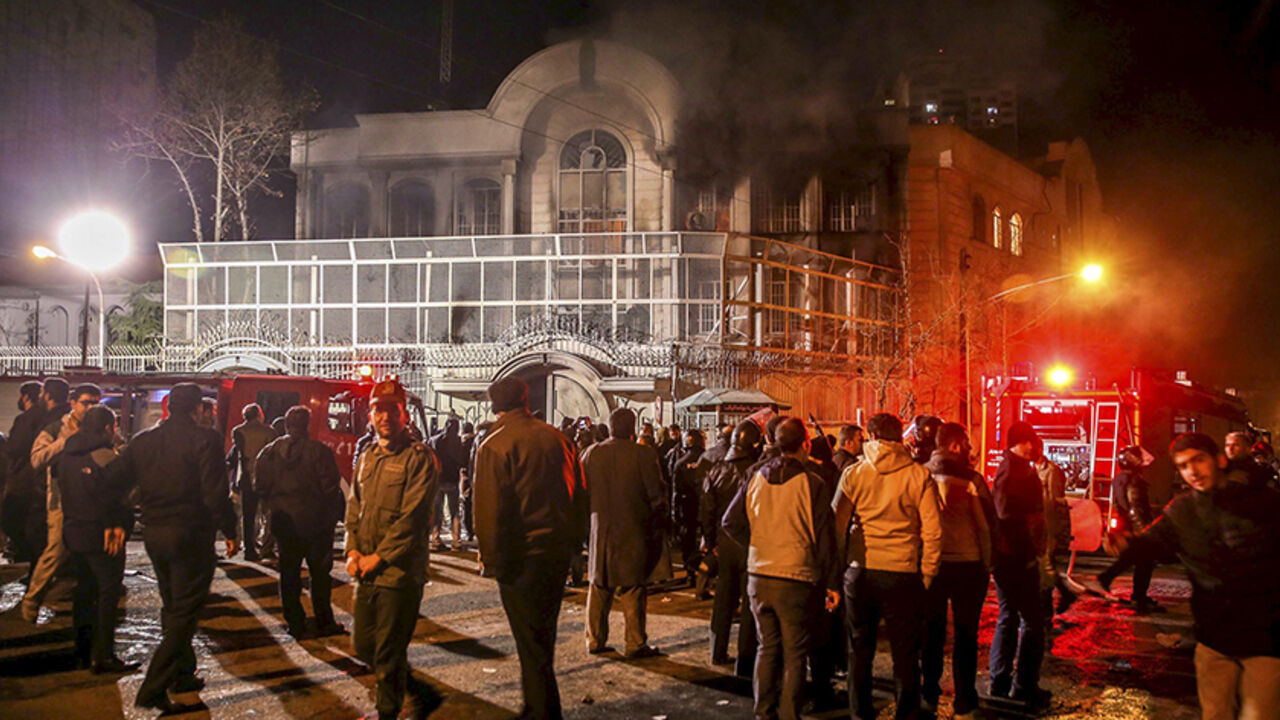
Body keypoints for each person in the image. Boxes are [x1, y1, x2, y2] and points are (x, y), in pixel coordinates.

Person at [1109, 433, 1280, 720]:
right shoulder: (1186, 508)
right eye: (1184, 466)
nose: (1193, 472)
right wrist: (1128, 545)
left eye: (1198, 460)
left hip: (1266, 640)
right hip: (1214, 640)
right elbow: (1156, 540)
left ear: (1220, 460)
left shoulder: (1265, 501)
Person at [117, 383, 238, 712]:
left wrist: (116, 520)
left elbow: (118, 483)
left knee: (173, 604)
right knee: (185, 611)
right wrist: (230, 528)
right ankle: (153, 687)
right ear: (197, 408)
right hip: (190, 533)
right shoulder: (206, 439)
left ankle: (182, 672)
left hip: (155, 533)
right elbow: (215, 492)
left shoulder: (142, 441)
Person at [474, 376, 586, 720]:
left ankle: (541, 710)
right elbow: (580, 496)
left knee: (530, 641)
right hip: (554, 553)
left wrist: (491, 560)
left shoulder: (495, 445)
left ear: (495, 406)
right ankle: (537, 705)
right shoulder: (559, 440)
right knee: (542, 635)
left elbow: (488, 510)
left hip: (519, 557)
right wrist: (573, 546)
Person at [724, 418, 840, 720]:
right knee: (795, 654)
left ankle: (763, 712)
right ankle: (789, 714)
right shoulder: (812, 482)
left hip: (759, 574)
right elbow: (825, 536)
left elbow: (730, 522)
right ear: (804, 444)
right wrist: (831, 582)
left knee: (767, 647)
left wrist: (757, 542)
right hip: (795, 576)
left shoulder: (754, 476)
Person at [834, 412, 942, 720]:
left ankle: (860, 712)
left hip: (861, 569)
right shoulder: (918, 476)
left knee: (859, 648)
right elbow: (933, 531)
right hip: (903, 571)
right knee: (906, 652)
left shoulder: (855, 474)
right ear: (900, 437)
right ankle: (906, 712)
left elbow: (837, 523)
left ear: (870, 436)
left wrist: (840, 567)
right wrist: (928, 572)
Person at [345, 379, 441, 720]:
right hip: (364, 570)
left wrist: (379, 557)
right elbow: (355, 506)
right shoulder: (368, 456)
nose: (384, 417)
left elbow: (412, 519)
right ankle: (416, 690)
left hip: (398, 574)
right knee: (363, 646)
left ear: (404, 415)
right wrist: (352, 551)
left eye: (391, 410)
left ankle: (387, 712)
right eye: (378, 410)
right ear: (370, 415)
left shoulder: (419, 458)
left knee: (387, 651)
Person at [58, 404, 138, 674]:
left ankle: (81, 649)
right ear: (108, 428)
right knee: (107, 593)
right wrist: (115, 524)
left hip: (73, 531)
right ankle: (103, 655)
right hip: (103, 534)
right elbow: (115, 496)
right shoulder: (106, 457)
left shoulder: (67, 455)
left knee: (83, 591)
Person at [581, 407, 667, 658]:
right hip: (633, 529)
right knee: (633, 587)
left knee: (599, 585)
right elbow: (656, 496)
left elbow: (579, 493)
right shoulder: (643, 454)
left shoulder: (592, 453)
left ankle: (595, 639)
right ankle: (635, 642)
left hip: (600, 529)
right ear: (632, 428)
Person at [254, 405, 346, 639]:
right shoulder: (319, 452)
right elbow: (331, 487)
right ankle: (324, 621)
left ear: (286, 424)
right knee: (320, 574)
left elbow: (260, 487)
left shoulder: (268, 452)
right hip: (315, 521)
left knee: (289, 573)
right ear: (307, 424)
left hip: (284, 522)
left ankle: (295, 622)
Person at [921, 422, 991, 718]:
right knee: (966, 634)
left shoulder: (919, 473)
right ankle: (965, 698)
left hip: (932, 564)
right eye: (964, 442)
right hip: (968, 565)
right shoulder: (972, 479)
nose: (969, 448)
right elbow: (986, 526)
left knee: (932, 631)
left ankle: (929, 693)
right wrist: (989, 563)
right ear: (953, 445)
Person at [23, 380, 98, 622]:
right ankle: (32, 600)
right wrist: (65, 443)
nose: (90, 408)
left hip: (90, 501)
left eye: (96, 403)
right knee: (56, 550)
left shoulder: (100, 428)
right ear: (74, 404)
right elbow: (36, 459)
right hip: (61, 500)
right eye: (86, 403)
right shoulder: (57, 428)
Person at [988, 421, 1049, 708]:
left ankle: (1000, 681)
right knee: (1033, 622)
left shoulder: (1011, 468)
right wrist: (1027, 553)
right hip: (1017, 559)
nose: (1034, 447)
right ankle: (1023, 685)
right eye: (1031, 442)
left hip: (1008, 559)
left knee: (1008, 616)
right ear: (1021, 442)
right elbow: (1006, 516)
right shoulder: (1016, 471)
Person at [701, 420, 763, 673]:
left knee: (723, 600)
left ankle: (717, 651)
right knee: (748, 604)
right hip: (750, 541)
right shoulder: (757, 472)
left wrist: (710, 541)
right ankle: (745, 660)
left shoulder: (716, 470)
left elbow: (706, 510)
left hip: (724, 543)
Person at [1096, 446, 1160, 612]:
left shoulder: (1121, 478)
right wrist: (1145, 529)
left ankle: (1108, 578)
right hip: (1139, 527)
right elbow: (1136, 506)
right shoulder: (1133, 480)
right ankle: (1138, 596)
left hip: (1130, 525)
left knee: (1134, 559)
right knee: (1144, 562)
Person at [3, 381, 44, 577]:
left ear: (26, 397)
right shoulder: (48, 419)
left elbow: (13, 448)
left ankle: (28, 563)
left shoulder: (25, 420)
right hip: (36, 483)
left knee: (11, 521)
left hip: (21, 482)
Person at [228, 404, 279, 562]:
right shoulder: (270, 432)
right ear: (259, 415)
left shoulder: (237, 431)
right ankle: (266, 547)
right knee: (268, 514)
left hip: (245, 478)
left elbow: (236, 455)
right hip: (265, 478)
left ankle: (248, 549)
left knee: (248, 515)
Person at [670, 428, 705, 586]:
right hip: (705, 505)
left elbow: (676, 491)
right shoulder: (708, 460)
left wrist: (674, 513)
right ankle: (706, 573)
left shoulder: (680, 464)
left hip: (687, 506)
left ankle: (690, 571)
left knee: (688, 540)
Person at [429, 417, 467, 551]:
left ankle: (435, 539)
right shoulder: (458, 442)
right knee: (454, 511)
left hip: (438, 480)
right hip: (452, 480)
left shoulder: (435, 440)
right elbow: (462, 461)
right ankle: (456, 541)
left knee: (437, 510)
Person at [458, 421, 477, 543]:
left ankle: (468, 530)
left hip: (465, 476)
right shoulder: (478, 441)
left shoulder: (463, 443)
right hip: (477, 476)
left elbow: (460, 460)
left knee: (466, 503)